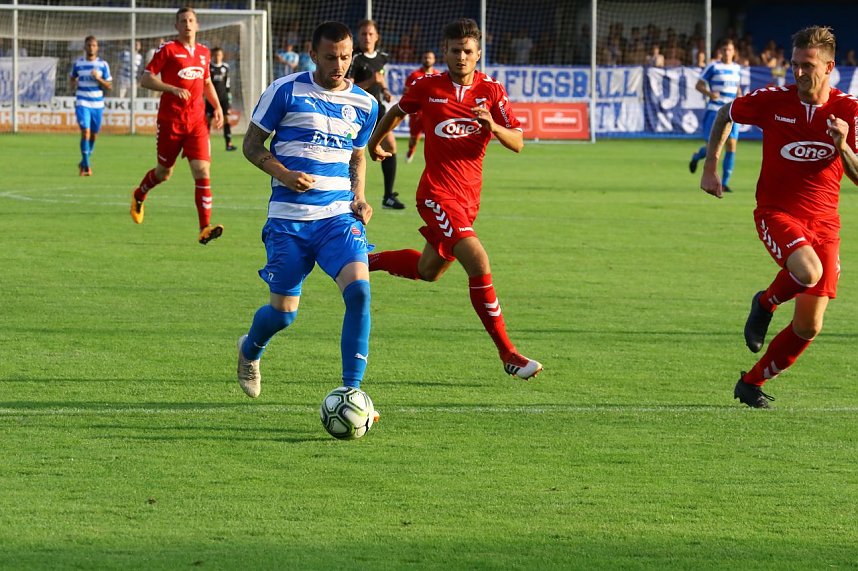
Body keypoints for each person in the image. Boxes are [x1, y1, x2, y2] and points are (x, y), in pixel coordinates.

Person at [367, 18, 543, 380]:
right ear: (445, 52)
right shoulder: (426, 86)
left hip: (467, 202)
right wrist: (375, 142)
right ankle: (508, 353)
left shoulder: (493, 92)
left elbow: (519, 142)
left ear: (478, 54)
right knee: (478, 260)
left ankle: (362, 261)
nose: (461, 56)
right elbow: (397, 112)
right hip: (435, 194)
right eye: (455, 50)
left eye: (467, 51)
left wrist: (493, 127)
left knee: (428, 271)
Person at [700, 26, 858, 408]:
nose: (799, 73)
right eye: (794, 65)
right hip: (777, 213)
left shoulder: (849, 112)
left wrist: (842, 146)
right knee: (808, 271)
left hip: (825, 224)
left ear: (830, 67)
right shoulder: (773, 100)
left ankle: (750, 384)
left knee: (809, 326)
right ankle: (766, 303)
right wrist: (710, 167)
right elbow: (725, 113)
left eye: (808, 66)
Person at [235, 21, 377, 400]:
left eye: (345, 57)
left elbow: (358, 156)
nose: (339, 65)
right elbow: (251, 145)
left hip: (338, 218)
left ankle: (352, 391)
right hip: (290, 220)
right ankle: (250, 349)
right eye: (330, 57)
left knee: (360, 293)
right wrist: (282, 172)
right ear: (312, 54)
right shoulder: (285, 90)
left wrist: (359, 197)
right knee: (283, 314)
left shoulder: (365, 103)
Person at [129, 7, 225, 245]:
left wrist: (218, 107)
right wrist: (171, 88)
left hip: (197, 124)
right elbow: (145, 78)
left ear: (197, 24)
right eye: (183, 21)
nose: (188, 24)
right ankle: (139, 194)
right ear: (176, 26)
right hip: (170, 121)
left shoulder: (203, 53)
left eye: (191, 20)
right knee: (164, 173)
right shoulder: (168, 50)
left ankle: (204, 228)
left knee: (203, 171)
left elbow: (206, 82)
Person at [349, 19, 404, 210]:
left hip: (376, 108)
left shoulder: (382, 57)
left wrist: (385, 89)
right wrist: (371, 81)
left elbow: (380, 79)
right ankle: (348, 193)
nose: (367, 37)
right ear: (358, 36)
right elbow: (348, 87)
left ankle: (388, 196)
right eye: (363, 34)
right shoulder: (354, 57)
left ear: (377, 36)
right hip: (356, 109)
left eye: (370, 34)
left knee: (390, 145)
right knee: (354, 152)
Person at [689, 39, 742, 192]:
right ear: (720, 51)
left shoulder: (737, 68)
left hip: (732, 111)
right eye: (724, 49)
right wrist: (710, 94)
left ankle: (724, 183)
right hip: (716, 111)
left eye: (730, 49)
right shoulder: (713, 66)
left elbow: (737, 89)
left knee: (731, 145)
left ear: (734, 52)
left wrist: (740, 98)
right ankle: (697, 155)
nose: (727, 52)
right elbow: (698, 85)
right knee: (714, 147)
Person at [69, 35, 112, 176]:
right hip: (82, 102)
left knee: (93, 135)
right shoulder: (78, 64)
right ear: (84, 47)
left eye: (93, 45)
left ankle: (83, 162)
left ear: (97, 47)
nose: (91, 48)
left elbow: (109, 86)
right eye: (88, 45)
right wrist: (73, 85)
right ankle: (87, 166)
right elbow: (72, 78)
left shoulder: (103, 65)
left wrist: (98, 78)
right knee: (85, 132)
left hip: (97, 104)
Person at [403, 50, 437, 163]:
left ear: (434, 60)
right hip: (417, 113)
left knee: (434, 137)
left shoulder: (438, 76)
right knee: (414, 138)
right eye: (425, 57)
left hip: (432, 113)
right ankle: (411, 150)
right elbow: (406, 91)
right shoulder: (414, 75)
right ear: (422, 59)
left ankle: (433, 158)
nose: (427, 60)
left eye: (430, 58)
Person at [207, 47, 237, 151]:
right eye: (215, 55)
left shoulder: (225, 67)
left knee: (227, 119)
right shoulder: (209, 67)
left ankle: (228, 144)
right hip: (210, 98)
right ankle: (204, 143)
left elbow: (227, 85)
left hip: (223, 99)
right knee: (207, 121)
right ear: (212, 55)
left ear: (222, 55)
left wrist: (229, 100)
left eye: (219, 55)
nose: (217, 57)